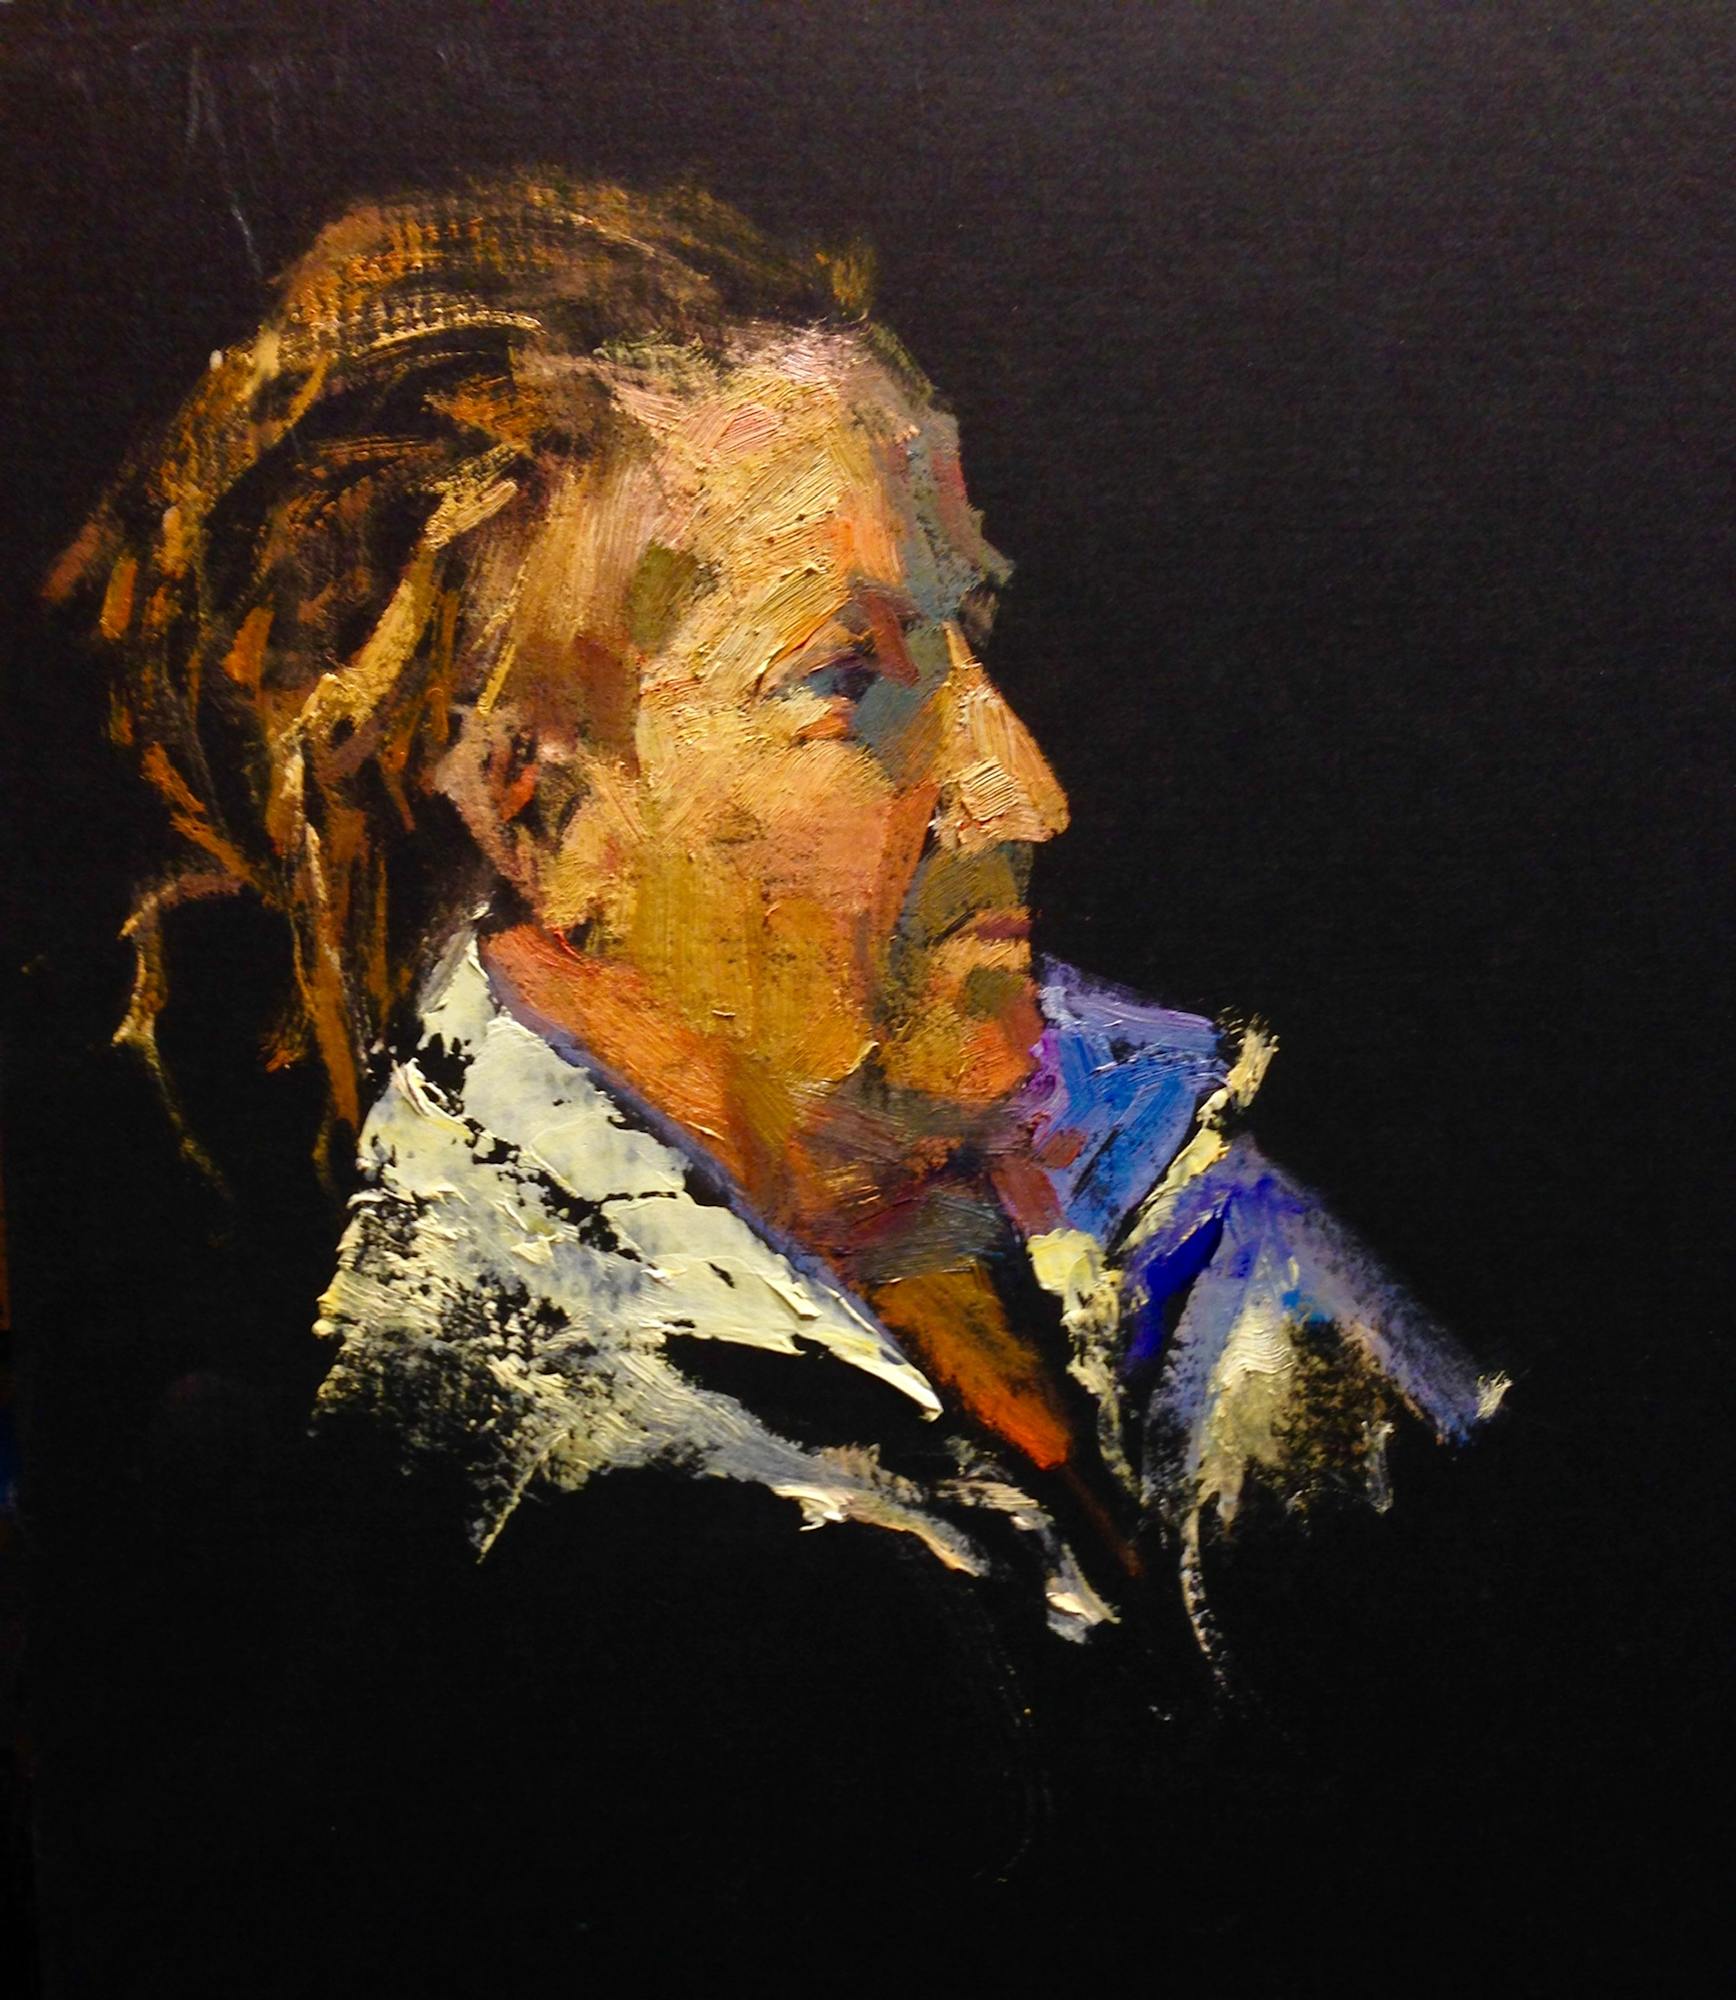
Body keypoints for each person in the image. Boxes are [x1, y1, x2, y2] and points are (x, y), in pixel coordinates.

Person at [43, 174, 1505, 1982]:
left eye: (968, 638)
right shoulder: (535, 1505)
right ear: (543, 814)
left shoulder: (1126, 1144)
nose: (1025, 791)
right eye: (849, 678)